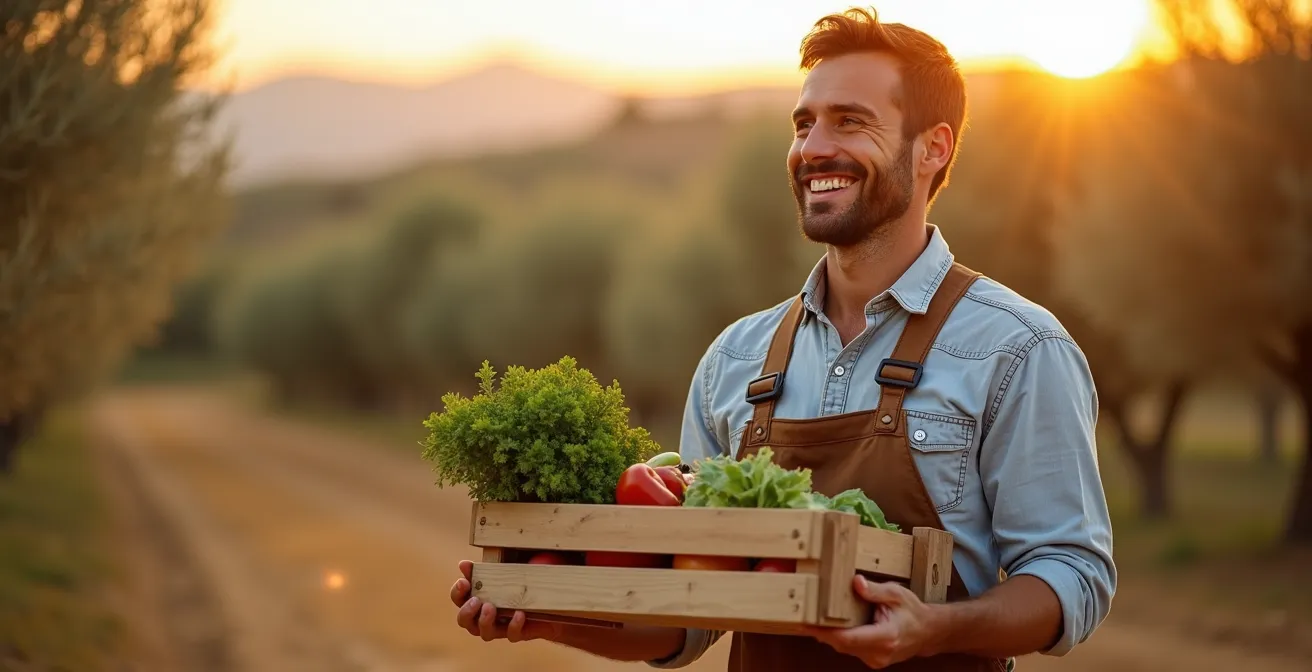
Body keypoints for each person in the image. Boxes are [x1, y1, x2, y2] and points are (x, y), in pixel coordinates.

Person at [448, 5, 1115, 670]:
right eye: (804, 123)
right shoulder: (735, 359)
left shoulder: (1018, 348)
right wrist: (551, 620)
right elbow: (687, 620)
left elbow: (1071, 576)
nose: (812, 147)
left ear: (932, 148)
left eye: (849, 121)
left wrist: (933, 629)